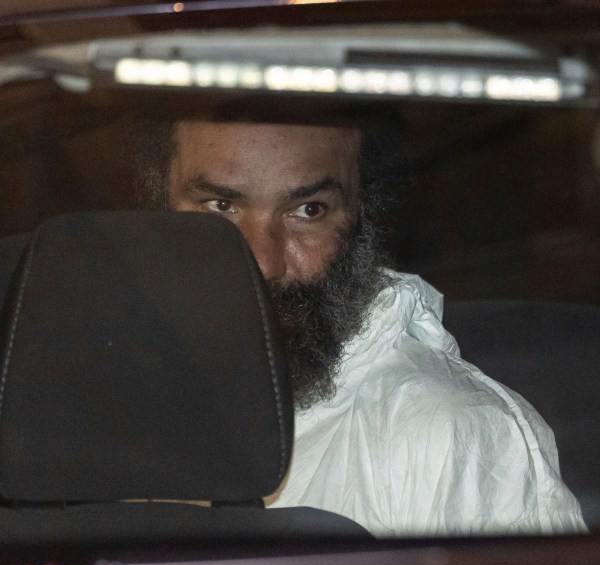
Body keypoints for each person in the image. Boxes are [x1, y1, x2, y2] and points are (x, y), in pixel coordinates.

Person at [137, 115, 586, 538]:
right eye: (221, 206)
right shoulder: (98, 401)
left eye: (308, 210)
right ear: (158, 209)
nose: (263, 262)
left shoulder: (446, 436)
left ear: (360, 220)